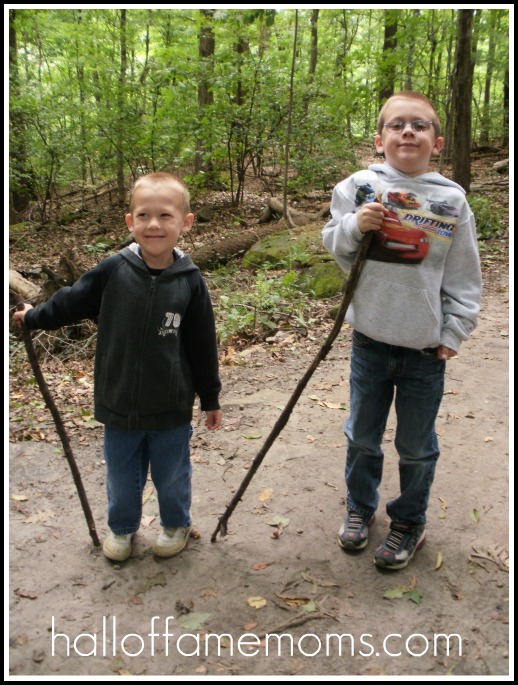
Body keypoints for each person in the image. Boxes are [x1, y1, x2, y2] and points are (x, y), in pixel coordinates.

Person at [13, 172, 222, 562]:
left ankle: (174, 524)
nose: (154, 225)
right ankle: (122, 529)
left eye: (165, 216)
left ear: (186, 222)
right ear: (130, 222)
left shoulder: (190, 282)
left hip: (171, 406)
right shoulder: (113, 271)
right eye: (143, 215)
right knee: (122, 476)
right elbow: (71, 301)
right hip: (118, 400)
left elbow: (201, 344)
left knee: (171, 475)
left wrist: (209, 397)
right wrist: (35, 316)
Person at [322, 91, 482, 570]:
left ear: (437, 141)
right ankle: (360, 506)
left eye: (419, 125)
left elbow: (464, 275)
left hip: (424, 349)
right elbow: (335, 246)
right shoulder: (357, 186)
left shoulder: (451, 200)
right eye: (397, 125)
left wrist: (454, 330)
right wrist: (353, 225)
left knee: (415, 445)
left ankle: (409, 519)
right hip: (369, 340)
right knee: (362, 437)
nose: (407, 132)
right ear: (379, 139)